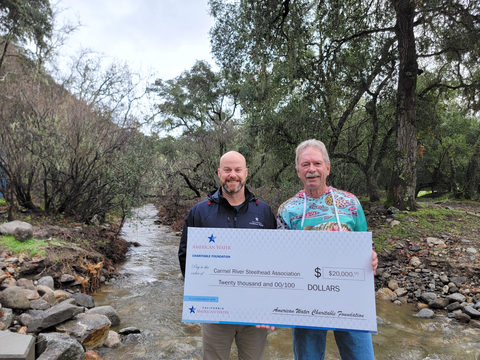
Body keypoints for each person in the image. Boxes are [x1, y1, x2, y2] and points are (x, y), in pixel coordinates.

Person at [277, 139, 378, 360]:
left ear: (328, 167)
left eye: (317, 163)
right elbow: (280, 260)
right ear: (298, 171)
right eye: (305, 165)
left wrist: (371, 257)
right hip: (305, 303)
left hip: (351, 299)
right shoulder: (287, 210)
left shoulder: (350, 203)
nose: (311, 169)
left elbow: (365, 244)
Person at [178, 150, 277, 360]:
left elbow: (275, 260)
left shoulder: (264, 212)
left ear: (246, 173)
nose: (233, 175)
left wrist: (270, 304)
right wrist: (201, 294)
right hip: (215, 313)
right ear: (219, 173)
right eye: (227, 170)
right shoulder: (200, 212)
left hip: (255, 312)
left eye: (238, 170)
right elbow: (185, 255)